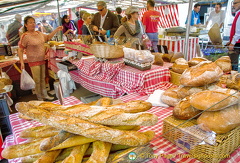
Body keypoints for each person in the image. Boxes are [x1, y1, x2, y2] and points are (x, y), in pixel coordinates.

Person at [18, 16, 63, 101]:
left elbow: (48, 37)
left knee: (43, 78)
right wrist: (22, 62)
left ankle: (45, 95)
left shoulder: (39, 33)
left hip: (42, 59)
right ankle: (39, 97)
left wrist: (56, 30)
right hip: (33, 61)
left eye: (34, 22)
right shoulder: (25, 36)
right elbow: (20, 50)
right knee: (37, 80)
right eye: (30, 22)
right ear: (26, 25)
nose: (33, 24)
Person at [227, 0, 240, 70]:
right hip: (236, 42)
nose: (233, 5)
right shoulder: (237, 13)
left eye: (235, 3)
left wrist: (232, 43)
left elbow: (238, 31)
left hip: (238, 43)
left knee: (233, 63)